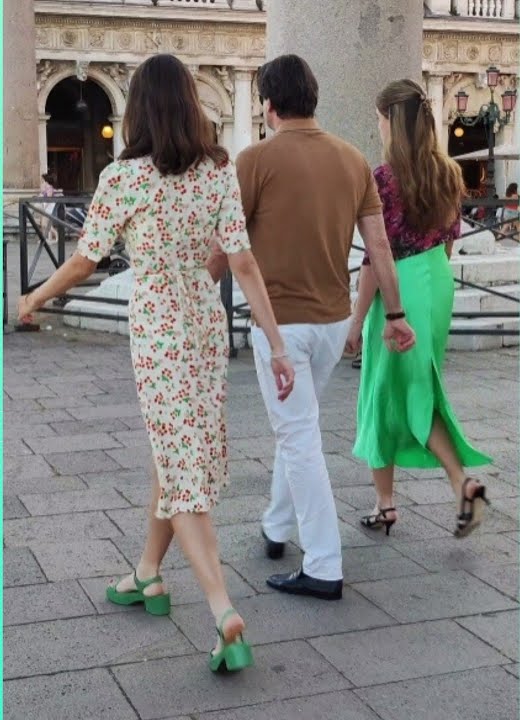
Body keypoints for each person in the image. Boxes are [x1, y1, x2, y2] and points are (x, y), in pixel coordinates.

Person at [18, 54, 294, 674]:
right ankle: (148, 573)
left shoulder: (126, 178)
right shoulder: (217, 172)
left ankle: (223, 610)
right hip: (204, 322)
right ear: (192, 105)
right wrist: (274, 345)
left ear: (138, 109)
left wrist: (34, 297)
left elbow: (86, 260)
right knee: (174, 453)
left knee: (180, 463)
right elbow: (242, 262)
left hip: (159, 327)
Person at [208, 54, 415, 601]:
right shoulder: (352, 161)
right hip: (331, 322)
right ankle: (277, 527)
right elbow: (379, 248)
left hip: (280, 327)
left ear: (269, 104)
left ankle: (323, 565)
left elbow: (224, 249)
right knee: (295, 425)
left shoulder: (252, 161)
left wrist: (197, 295)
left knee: (298, 437)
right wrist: (393, 315)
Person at [347, 79, 493, 538]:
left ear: (391, 120)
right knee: (415, 386)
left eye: (379, 118)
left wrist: (357, 321)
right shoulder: (447, 171)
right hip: (436, 280)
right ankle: (390, 502)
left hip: (401, 284)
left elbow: (376, 257)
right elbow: (448, 242)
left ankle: (453, 483)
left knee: (383, 390)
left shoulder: (384, 178)